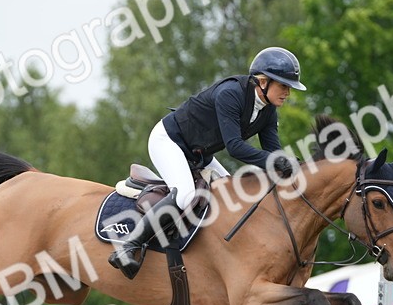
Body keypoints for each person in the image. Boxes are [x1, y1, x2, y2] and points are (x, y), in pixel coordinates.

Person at [109, 46, 307, 278]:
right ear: (263, 81)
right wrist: (278, 162)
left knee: (231, 196)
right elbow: (234, 147)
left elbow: (273, 152)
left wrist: (293, 167)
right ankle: (128, 246)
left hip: (199, 155)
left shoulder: (268, 111)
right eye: (284, 86)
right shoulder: (230, 94)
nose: (287, 93)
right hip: (169, 141)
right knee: (185, 196)